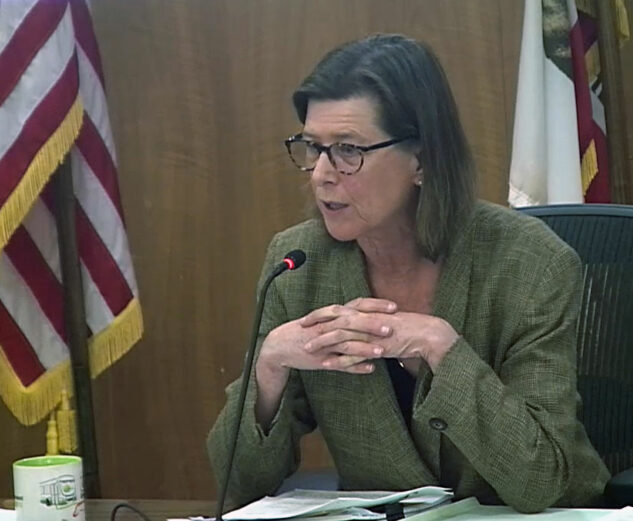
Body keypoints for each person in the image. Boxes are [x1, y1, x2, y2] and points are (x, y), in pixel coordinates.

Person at [207, 34, 609, 513]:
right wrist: (269, 366)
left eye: (348, 150)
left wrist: (441, 348)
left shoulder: (529, 263)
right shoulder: (297, 265)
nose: (321, 174)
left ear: (421, 159)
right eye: (313, 147)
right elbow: (237, 483)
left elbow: (543, 482)